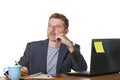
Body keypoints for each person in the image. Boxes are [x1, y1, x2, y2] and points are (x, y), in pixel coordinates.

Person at [18, 13, 87, 77]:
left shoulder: (71, 48)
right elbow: (20, 67)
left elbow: (81, 70)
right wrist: (22, 70)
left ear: (66, 31)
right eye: (49, 25)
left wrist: (69, 43)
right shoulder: (32, 47)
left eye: (57, 27)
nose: (52, 29)